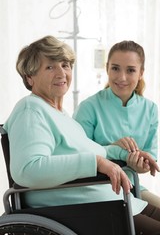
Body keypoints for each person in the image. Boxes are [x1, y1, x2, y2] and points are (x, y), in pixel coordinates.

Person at [3, 36, 160, 234]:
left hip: (107, 200)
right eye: (50, 67)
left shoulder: (59, 114)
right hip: (82, 208)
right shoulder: (31, 109)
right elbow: (27, 170)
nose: (62, 73)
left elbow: (94, 150)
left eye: (65, 65)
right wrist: (96, 163)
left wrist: (125, 154)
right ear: (29, 77)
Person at [73, 40, 160, 209]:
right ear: (107, 68)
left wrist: (140, 164)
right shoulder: (89, 107)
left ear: (141, 73)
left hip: (133, 187)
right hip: (97, 188)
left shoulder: (150, 109)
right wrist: (115, 150)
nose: (122, 77)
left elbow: (151, 158)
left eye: (131, 70)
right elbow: (77, 156)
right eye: (115, 68)